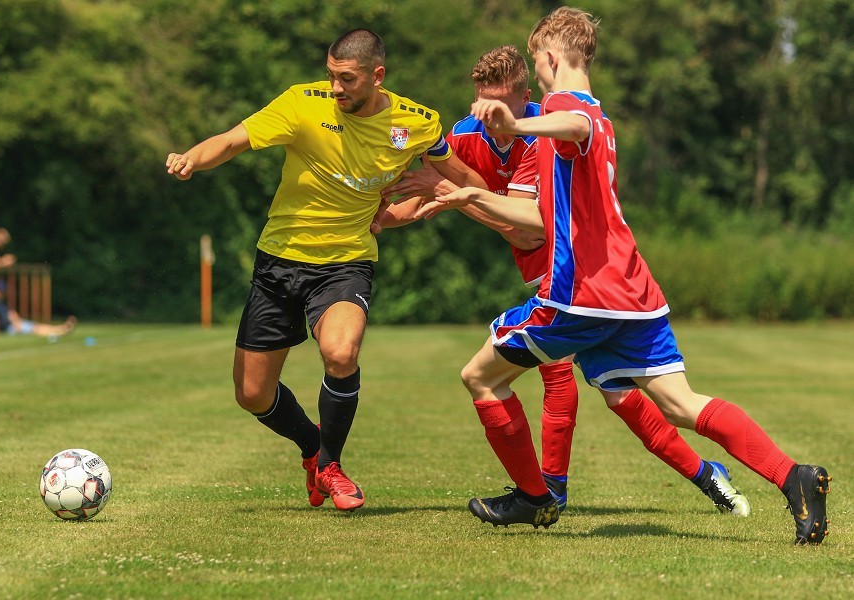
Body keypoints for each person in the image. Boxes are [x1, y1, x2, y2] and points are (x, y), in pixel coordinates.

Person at [418, 7, 831, 544]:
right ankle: (793, 477)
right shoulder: (599, 116)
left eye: (539, 67)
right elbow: (543, 214)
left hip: (583, 294)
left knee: (481, 377)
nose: (539, 79)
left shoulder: (569, 109)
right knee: (682, 404)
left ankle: (534, 497)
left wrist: (516, 123)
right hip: (633, 293)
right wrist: (476, 195)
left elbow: (573, 125)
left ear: (548, 57)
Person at [380, 45, 751, 516]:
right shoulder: (464, 135)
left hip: (568, 263)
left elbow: (526, 226)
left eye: (499, 103)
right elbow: (430, 194)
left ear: (525, 96)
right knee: (620, 393)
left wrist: (456, 191)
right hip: (546, 266)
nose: (489, 113)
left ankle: (548, 493)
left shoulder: (543, 135)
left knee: (561, 374)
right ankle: (705, 474)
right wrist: (382, 219)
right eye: (481, 102)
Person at [165, 29, 486, 512]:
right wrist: (193, 157)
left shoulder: (417, 123)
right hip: (279, 260)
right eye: (331, 76)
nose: (335, 88)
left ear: (377, 76)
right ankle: (313, 448)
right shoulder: (302, 103)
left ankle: (331, 465)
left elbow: (463, 179)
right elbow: (233, 140)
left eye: (347, 79)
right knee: (253, 394)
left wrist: (470, 201)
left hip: (346, 263)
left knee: (340, 352)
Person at [0, 280, 77, 338]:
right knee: (36, 329)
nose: (2, 292)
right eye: (0, 290)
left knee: (37, 326)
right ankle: (62, 330)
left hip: (15, 324)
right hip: (10, 327)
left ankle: (62, 328)